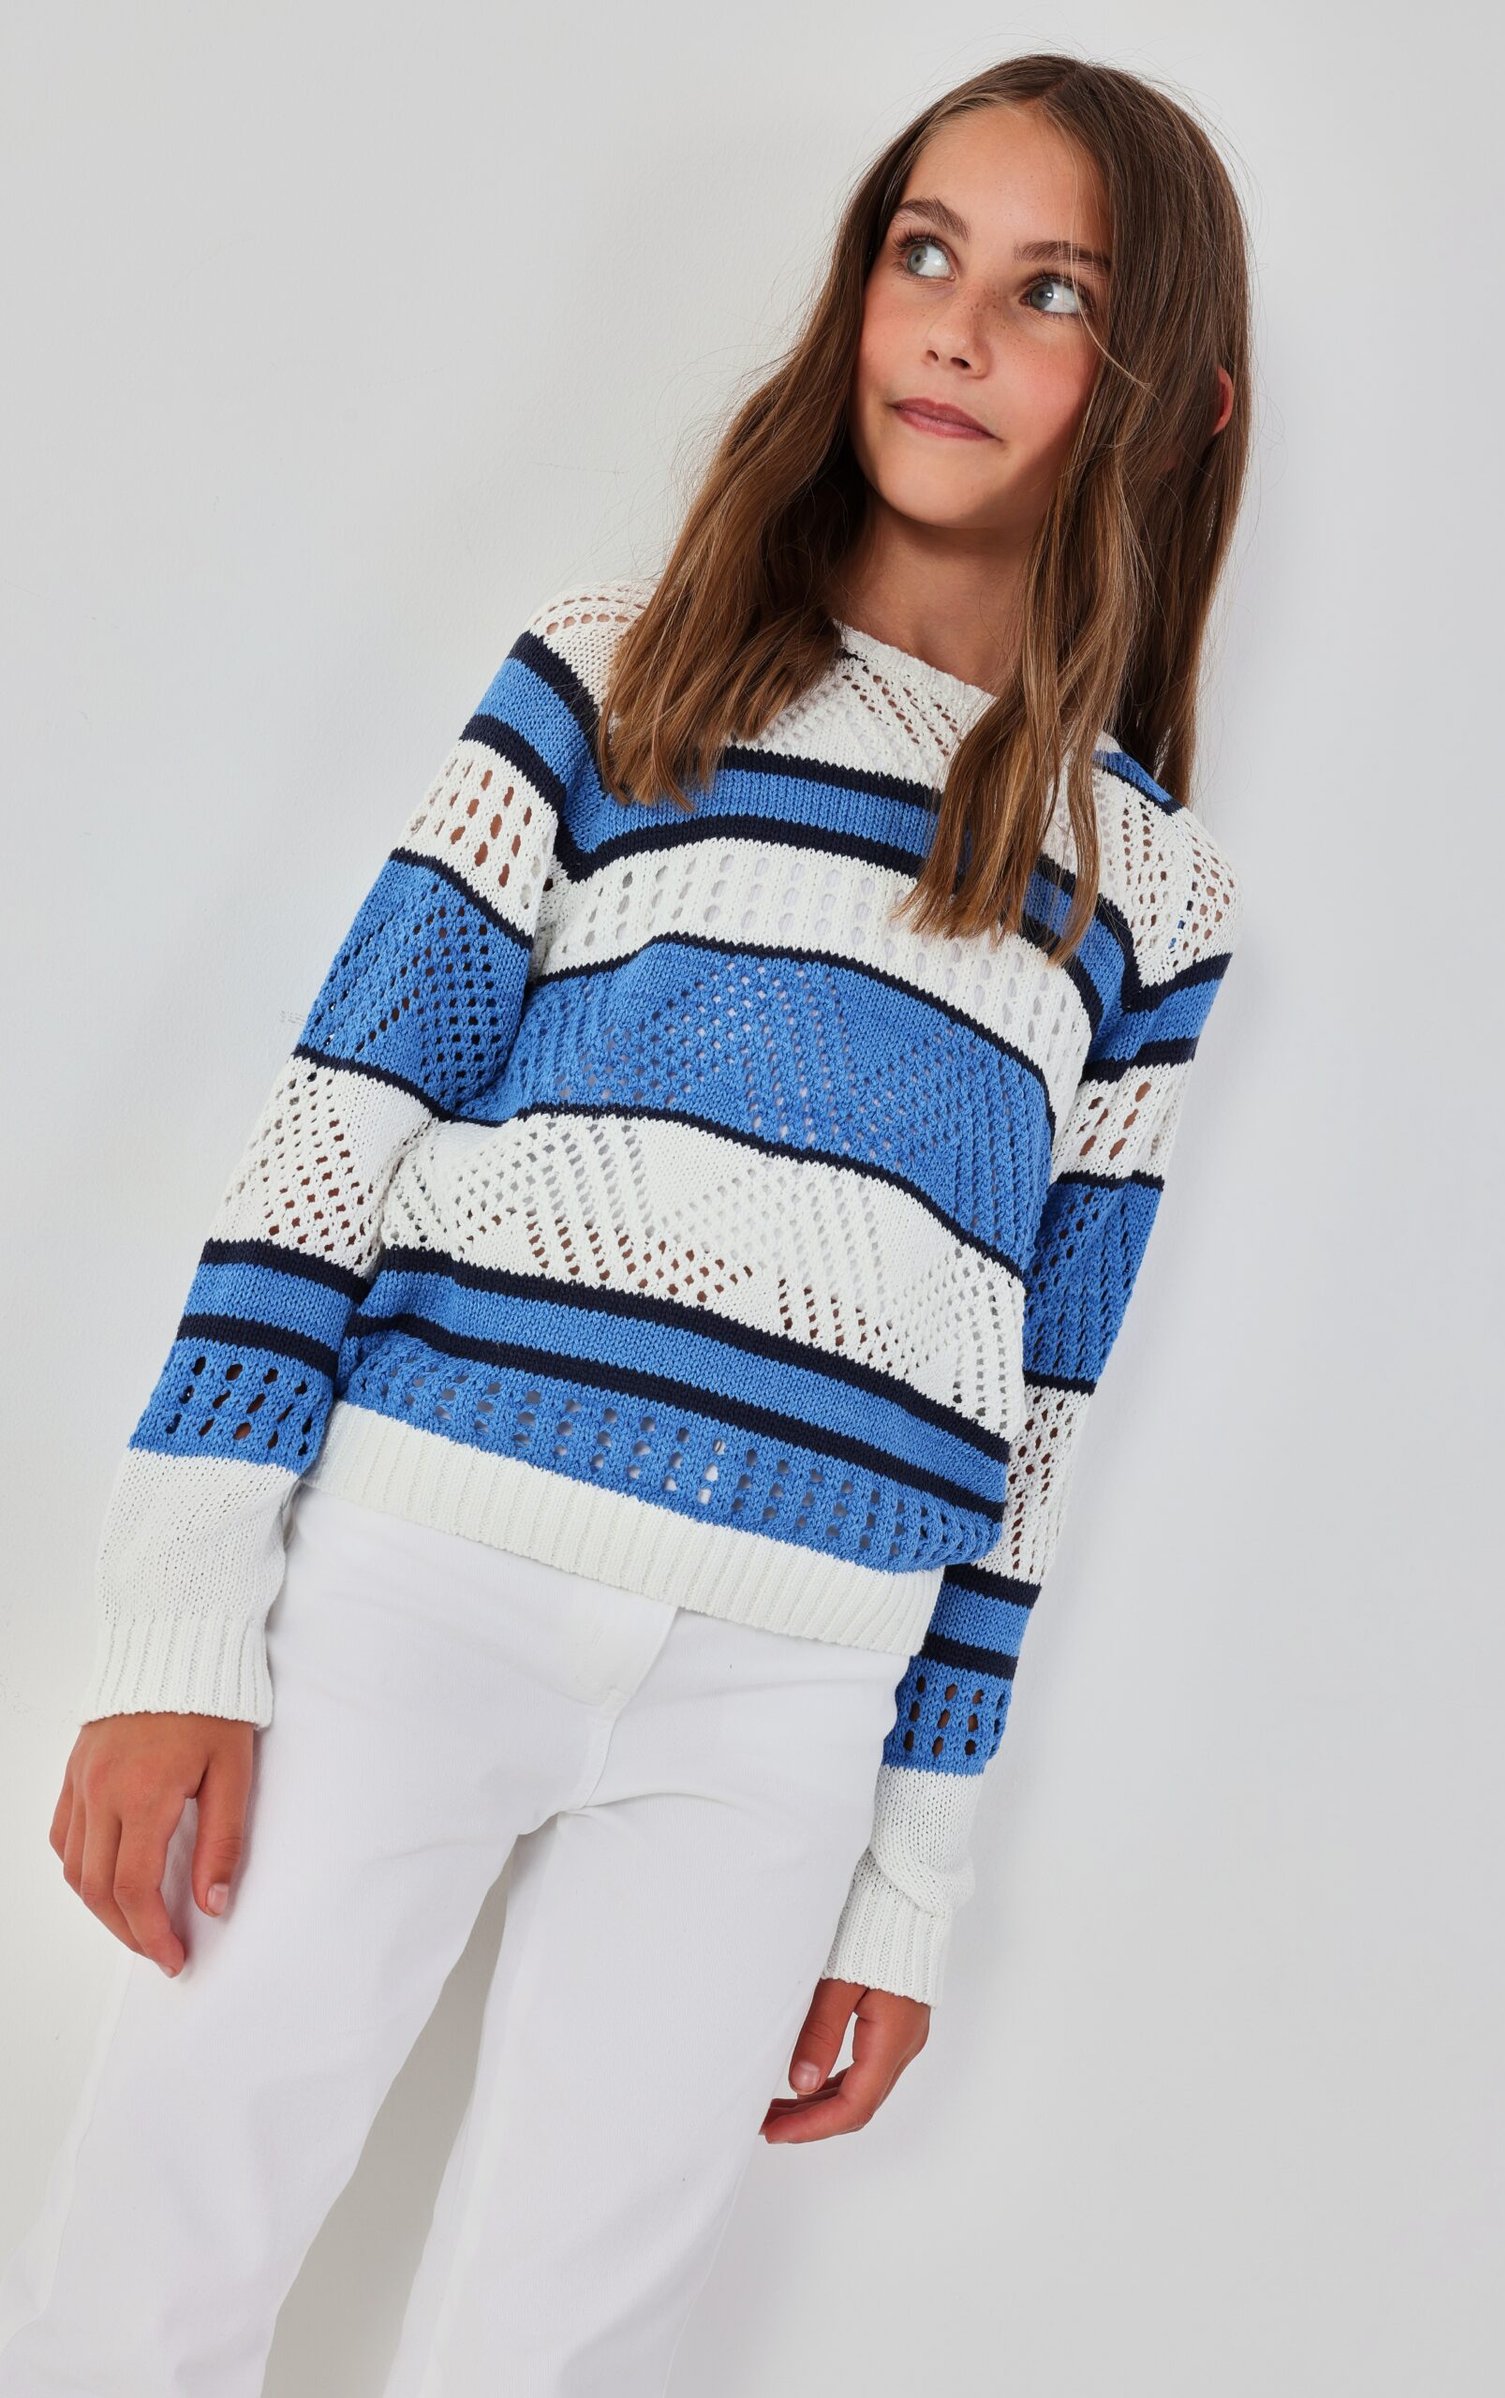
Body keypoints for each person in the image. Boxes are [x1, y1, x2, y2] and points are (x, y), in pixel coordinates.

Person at [0, 48, 1252, 2398]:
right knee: (159, 2251)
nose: (951, 323)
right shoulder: (617, 671)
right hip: (421, 1577)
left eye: (1050, 288)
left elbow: (1040, 1411)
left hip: (790, 1686)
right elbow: (334, 1121)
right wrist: (177, 1623)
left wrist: (907, 1874)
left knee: (558, 2342)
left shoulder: (1148, 892)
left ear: (1172, 397)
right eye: (921, 251)